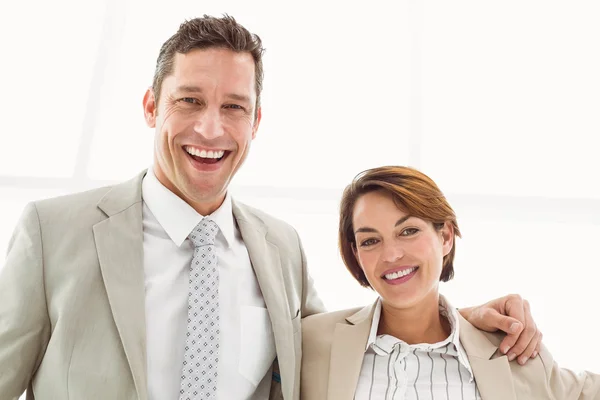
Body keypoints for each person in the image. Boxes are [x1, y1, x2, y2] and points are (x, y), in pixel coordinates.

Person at [0, 15, 540, 400]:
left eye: (234, 107)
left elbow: (342, 351)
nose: (210, 128)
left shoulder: (280, 247)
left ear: (255, 122)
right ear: (151, 106)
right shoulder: (53, 232)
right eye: (189, 100)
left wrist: (454, 320)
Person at [301, 166, 600, 399]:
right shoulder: (310, 344)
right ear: (356, 253)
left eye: (408, 231)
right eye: (370, 240)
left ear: (445, 236)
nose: (390, 254)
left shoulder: (512, 355)